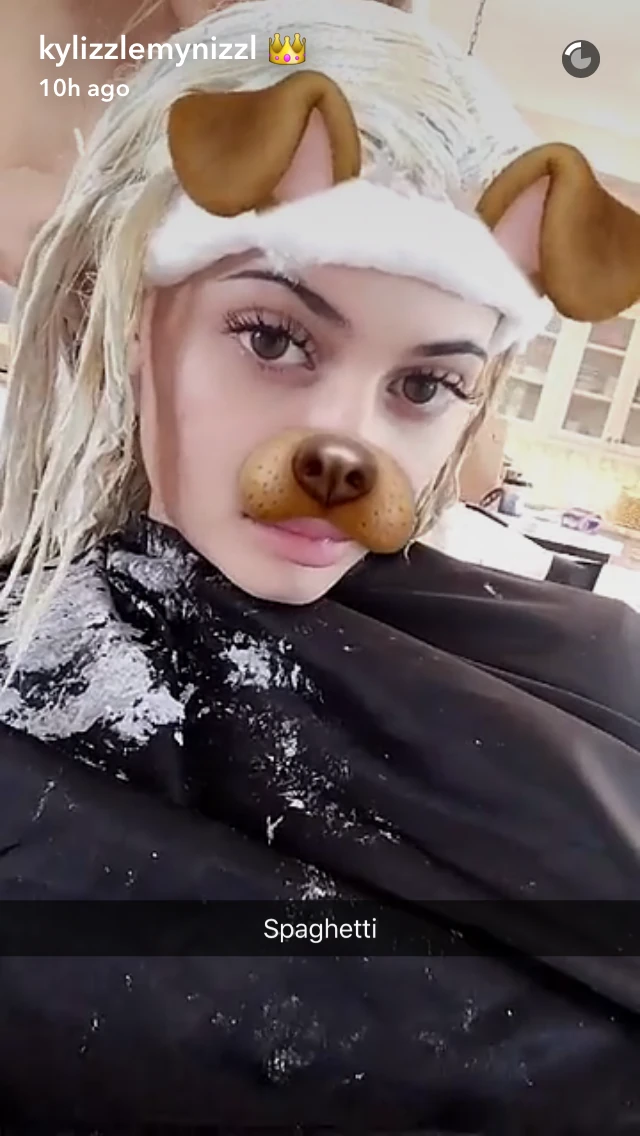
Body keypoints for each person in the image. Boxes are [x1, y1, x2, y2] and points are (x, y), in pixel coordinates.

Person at [3, 0, 640, 1130]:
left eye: (424, 385)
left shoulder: (600, 652)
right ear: (131, 320)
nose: (347, 448)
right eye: (272, 337)